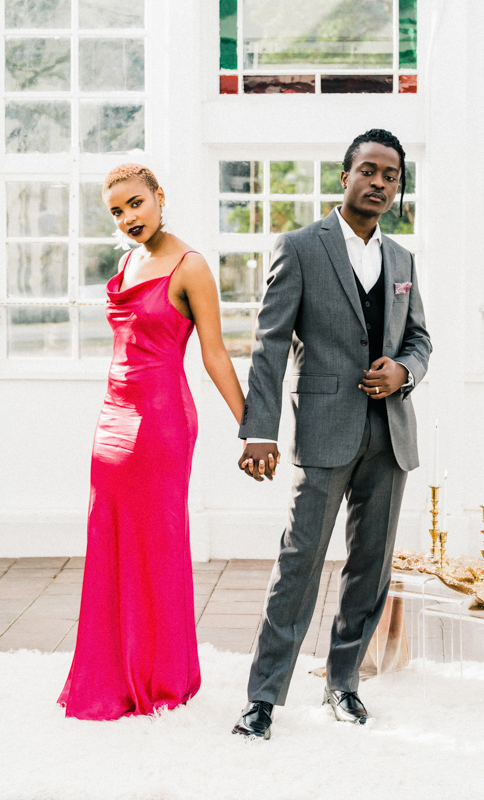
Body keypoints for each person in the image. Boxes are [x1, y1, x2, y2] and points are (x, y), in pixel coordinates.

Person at [233, 129, 432, 738]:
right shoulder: (299, 247)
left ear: (398, 188)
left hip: (390, 435)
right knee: (299, 564)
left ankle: (342, 684)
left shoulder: (401, 260)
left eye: (390, 175)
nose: (378, 182)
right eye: (368, 170)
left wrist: (404, 371)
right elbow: (268, 346)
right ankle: (263, 697)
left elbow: (420, 340)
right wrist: (258, 431)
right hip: (323, 431)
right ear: (345, 175)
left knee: (370, 570)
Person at [58, 163, 272, 720]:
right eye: (117, 211)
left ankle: (160, 677)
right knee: (111, 543)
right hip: (111, 421)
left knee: (157, 545)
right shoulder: (128, 260)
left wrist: (252, 425)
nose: (128, 217)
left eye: (135, 203)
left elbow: (215, 353)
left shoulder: (190, 266)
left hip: (160, 423)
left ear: (159, 196)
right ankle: (114, 671)